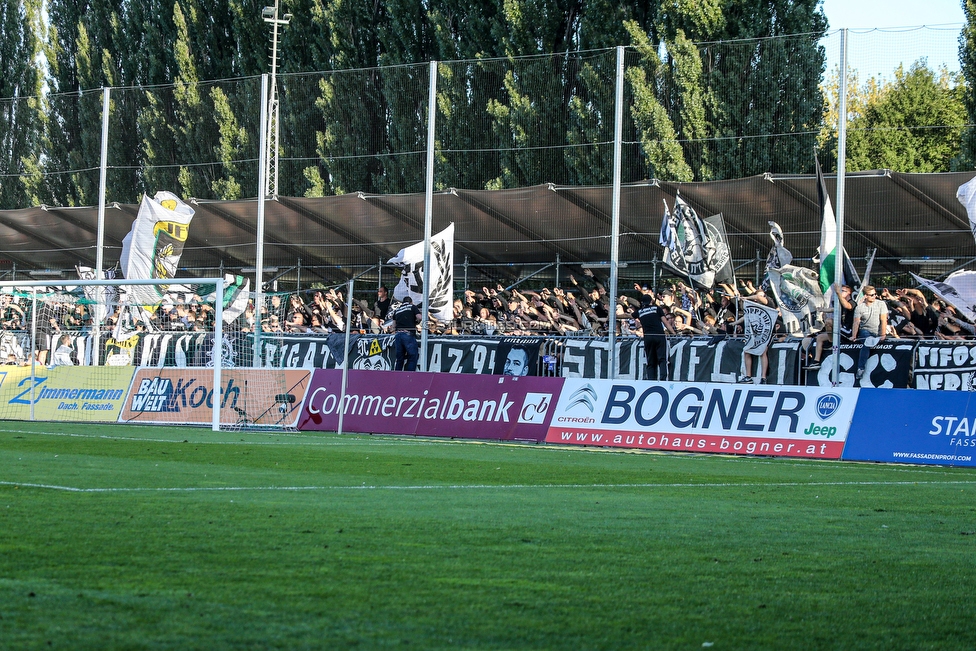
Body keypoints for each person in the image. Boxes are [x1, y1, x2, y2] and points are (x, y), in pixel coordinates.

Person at [851, 285, 888, 381]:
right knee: (867, 342)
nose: (874, 296)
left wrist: (883, 334)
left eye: (875, 294)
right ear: (866, 296)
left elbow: (883, 320)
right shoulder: (859, 307)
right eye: (871, 295)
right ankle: (861, 368)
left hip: (878, 331)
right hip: (865, 331)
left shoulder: (881, 304)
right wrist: (854, 336)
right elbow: (856, 322)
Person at [635, 294, 673, 381]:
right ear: (651, 301)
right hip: (659, 336)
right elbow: (666, 323)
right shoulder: (657, 309)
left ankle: (651, 381)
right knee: (662, 360)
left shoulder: (640, 311)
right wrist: (673, 333)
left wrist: (613, 316)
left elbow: (627, 315)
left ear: (642, 302)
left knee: (651, 361)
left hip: (648, 337)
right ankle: (663, 380)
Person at [391, 296, 421, 371]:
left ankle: (397, 377)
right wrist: (417, 322)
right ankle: (409, 376)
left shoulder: (397, 310)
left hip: (398, 335)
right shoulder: (412, 307)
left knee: (399, 359)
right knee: (412, 356)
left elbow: (393, 326)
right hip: (408, 334)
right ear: (411, 302)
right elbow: (419, 317)